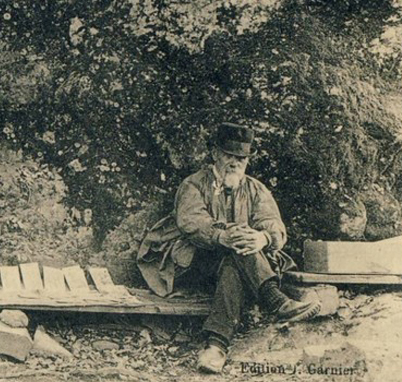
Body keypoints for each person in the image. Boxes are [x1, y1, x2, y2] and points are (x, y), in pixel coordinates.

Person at [137, 122, 320, 374]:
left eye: (241, 158)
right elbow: (192, 222)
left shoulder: (256, 190)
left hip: (236, 268)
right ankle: (275, 300)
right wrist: (223, 236)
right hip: (195, 264)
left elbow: (274, 225)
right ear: (215, 154)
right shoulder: (194, 184)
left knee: (236, 256)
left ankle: (216, 346)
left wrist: (262, 238)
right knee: (236, 246)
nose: (235, 163)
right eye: (229, 155)